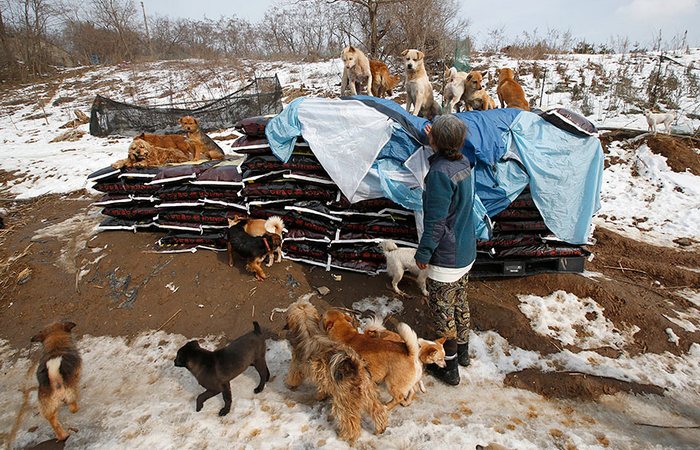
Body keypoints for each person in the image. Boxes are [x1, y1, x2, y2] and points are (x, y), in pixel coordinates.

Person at [415, 114, 476, 386]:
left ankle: (449, 368)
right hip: (465, 250)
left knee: (442, 314)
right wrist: (436, 141)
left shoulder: (439, 174)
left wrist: (424, 253)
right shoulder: (463, 162)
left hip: (446, 257)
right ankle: (462, 353)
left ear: (437, 141)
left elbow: (436, 222)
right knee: (459, 302)